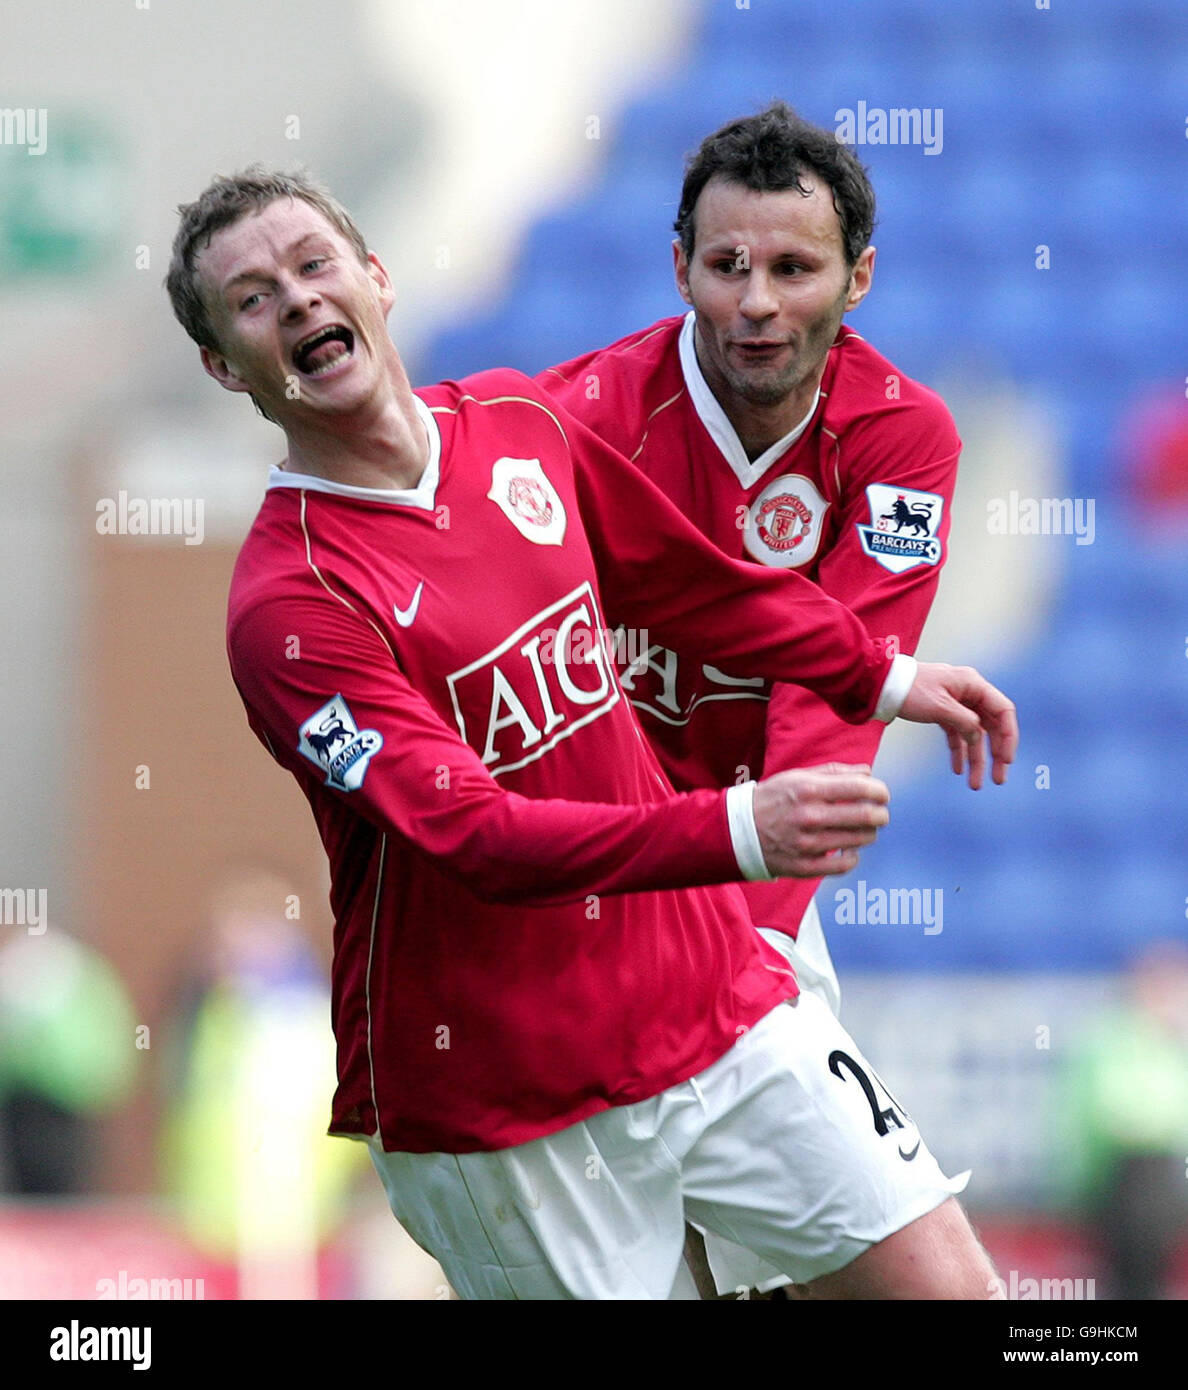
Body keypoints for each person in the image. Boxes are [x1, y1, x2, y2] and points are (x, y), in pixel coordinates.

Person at [164, 165, 1016, 1299]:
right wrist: (738, 830)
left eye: (315, 266)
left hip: (705, 989)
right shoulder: (292, 607)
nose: (302, 301)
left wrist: (880, 673)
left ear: (376, 278)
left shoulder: (515, 421)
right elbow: (477, 835)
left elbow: (687, 582)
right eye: (257, 298)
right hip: (502, 1099)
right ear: (228, 366)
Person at [538, 102, 963, 1295]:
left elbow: (835, 699)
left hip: (752, 891)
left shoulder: (902, 434)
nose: (757, 300)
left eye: (793, 266)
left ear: (859, 277)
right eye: (726, 266)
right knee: (643, 1257)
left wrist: (754, 939)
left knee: (872, 1263)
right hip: (591, 879)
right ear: (680, 267)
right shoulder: (578, 423)